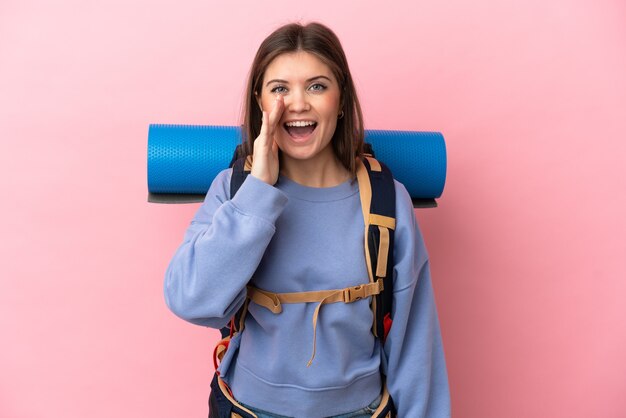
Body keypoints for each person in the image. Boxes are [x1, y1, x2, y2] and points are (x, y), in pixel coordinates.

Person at [164, 21, 451, 417]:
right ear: (260, 103)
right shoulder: (234, 190)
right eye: (279, 89)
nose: (297, 104)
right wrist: (259, 192)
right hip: (247, 409)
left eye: (316, 86)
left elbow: (416, 345)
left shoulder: (387, 201)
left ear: (342, 98)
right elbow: (190, 300)